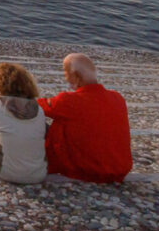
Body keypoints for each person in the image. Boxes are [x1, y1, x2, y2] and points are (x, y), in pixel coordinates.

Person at [36, 54, 132, 183]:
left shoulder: (68, 101)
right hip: (120, 169)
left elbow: (35, 106)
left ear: (76, 76)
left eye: (65, 73)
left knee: (37, 119)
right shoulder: (118, 98)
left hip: (85, 170)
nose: (65, 78)